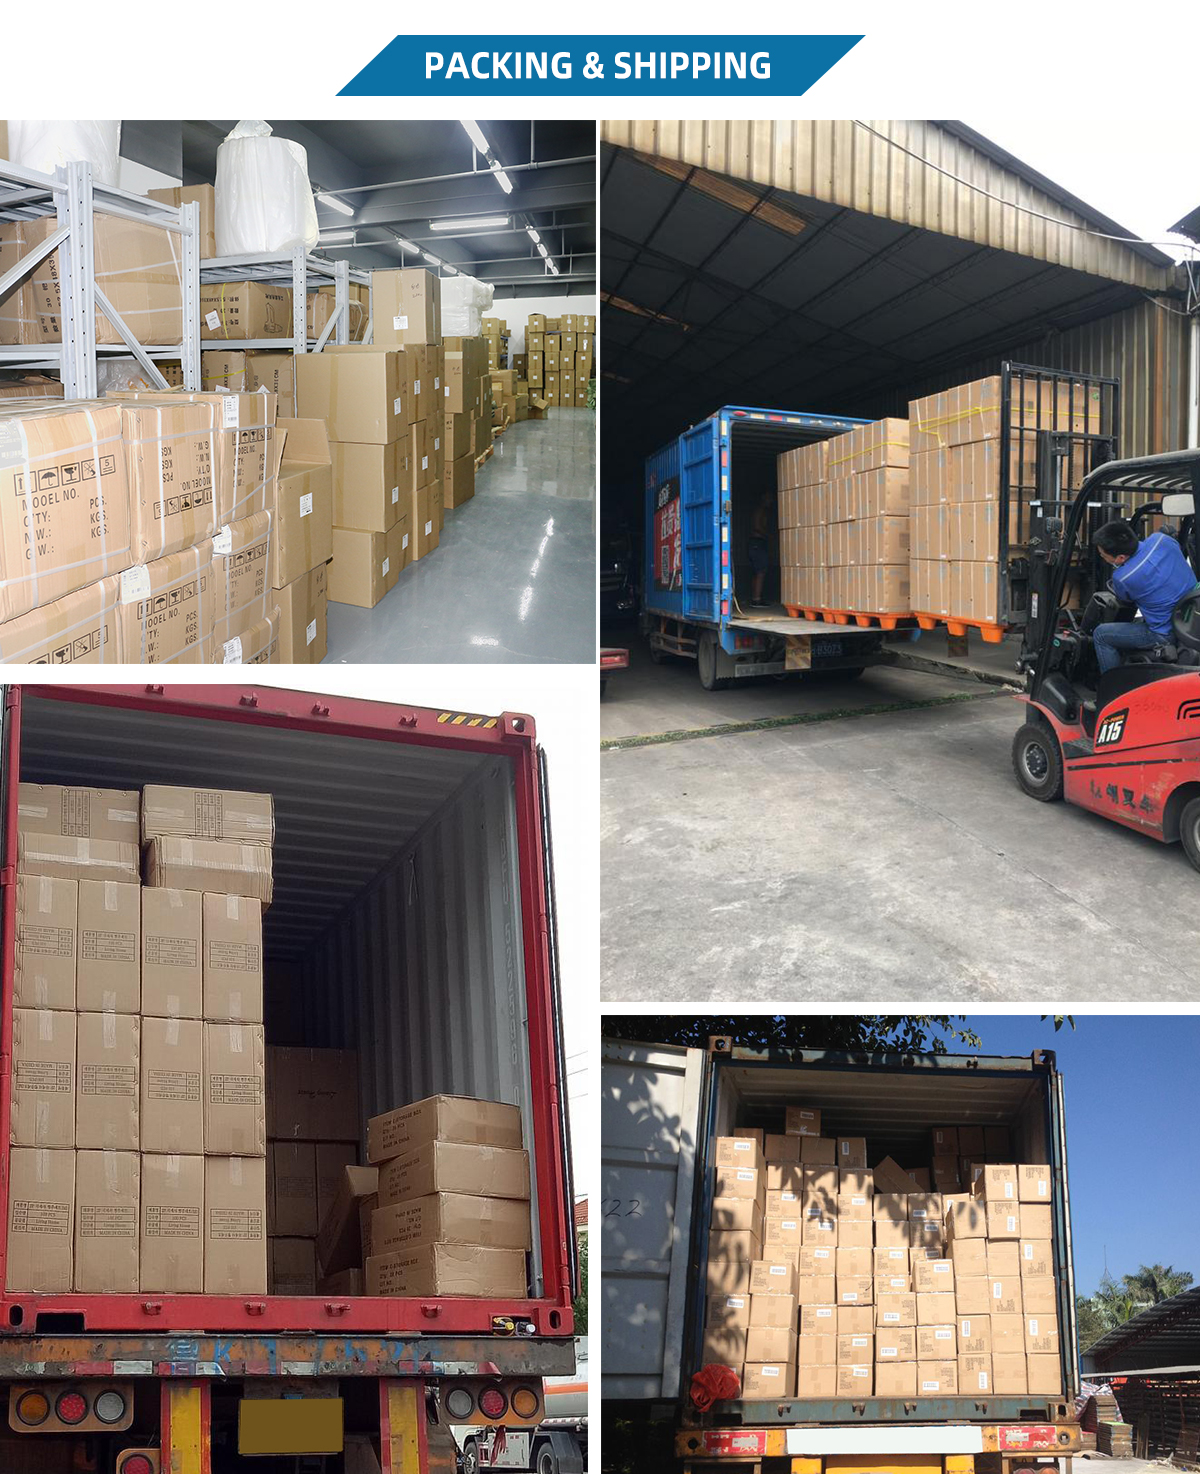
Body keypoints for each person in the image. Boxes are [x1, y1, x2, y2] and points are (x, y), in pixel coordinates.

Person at [1091, 519, 1198, 675]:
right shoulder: (1162, 539)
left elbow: (1125, 601)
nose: (1102, 557)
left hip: (1164, 634)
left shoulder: (1123, 577)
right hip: (1191, 618)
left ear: (1121, 558)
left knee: (1101, 634)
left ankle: (1112, 684)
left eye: (1103, 555)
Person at [748, 492, 771, 608]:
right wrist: (768, 535)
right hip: (757, 543)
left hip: (756, 543)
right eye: (769, 497)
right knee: (760, 571)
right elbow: (757, 527)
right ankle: (756, 600)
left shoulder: (762, 511)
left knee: (757, 571)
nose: (771, 500)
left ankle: (756, 598)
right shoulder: (760, 511)